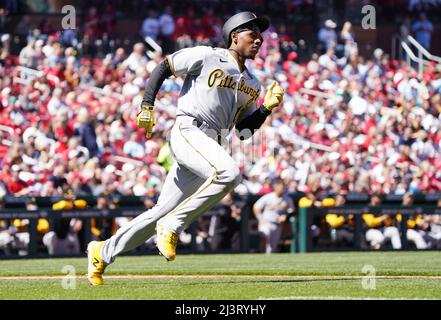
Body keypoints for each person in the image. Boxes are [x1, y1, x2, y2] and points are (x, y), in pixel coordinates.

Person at [87, 11, 285, 286]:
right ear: (234, 36)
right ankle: (171, 226)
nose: (259, 40)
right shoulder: (207, 55)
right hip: (189, 130)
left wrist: (265, 108)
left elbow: (244, 132)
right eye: (252, 34)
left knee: (159, 211)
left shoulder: (253, 83)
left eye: (260, 36)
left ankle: (102, 251)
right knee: (229, 173)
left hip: (211, 144)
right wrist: (147, 106)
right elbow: (164, 67)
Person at [253, 178, 294, 254]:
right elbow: (256, 207)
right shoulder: (268, 197)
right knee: (264, 236)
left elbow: (291, 210)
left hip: (277, 225)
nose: (282, 189)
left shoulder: (287, 199)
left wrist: (285, 215)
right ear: (276, 187)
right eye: (281, 187)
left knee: (271, 248)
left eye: (283, 187)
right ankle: (260, 255)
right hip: (266, 223)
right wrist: (260, 219)